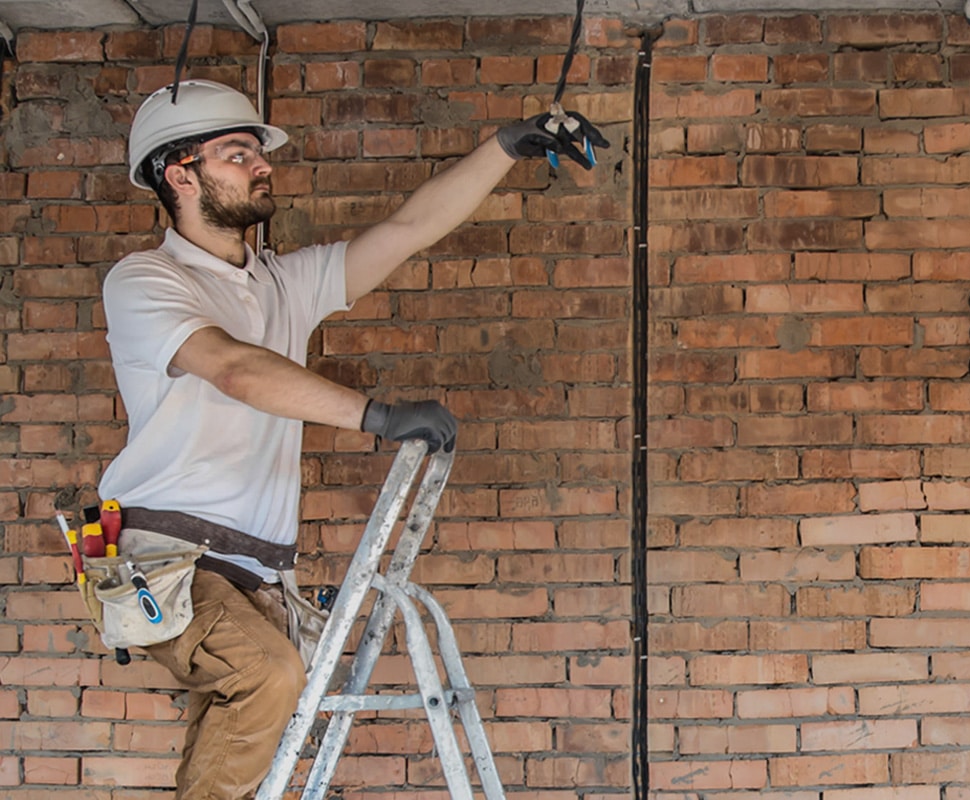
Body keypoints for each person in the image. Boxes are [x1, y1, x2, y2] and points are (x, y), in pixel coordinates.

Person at [96, 78, 607, 799]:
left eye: (257, 154)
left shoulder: (279, 285)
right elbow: (235, 369)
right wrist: (376, 415)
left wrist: (505, 149)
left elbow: (405, 232)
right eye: (239, 153)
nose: (262, 165)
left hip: (256, 572)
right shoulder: (145, 280)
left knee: (251, 704)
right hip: (162, 557)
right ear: (180, 174)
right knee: (268, 677)